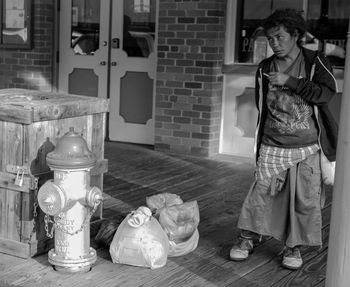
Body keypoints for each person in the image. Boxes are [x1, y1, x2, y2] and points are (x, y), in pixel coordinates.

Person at [229, 8, 338, 270]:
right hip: (272, 144)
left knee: (304, 199)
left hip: (307, 146)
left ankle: (293, 246)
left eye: (280, 37)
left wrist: (291, 81)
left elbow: (326, 94)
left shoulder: (314, 62)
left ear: (296, 35)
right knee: (261, 194)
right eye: (270, 39)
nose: (274, 43)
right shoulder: (265, 67)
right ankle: (248, 238)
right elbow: (263, 106)